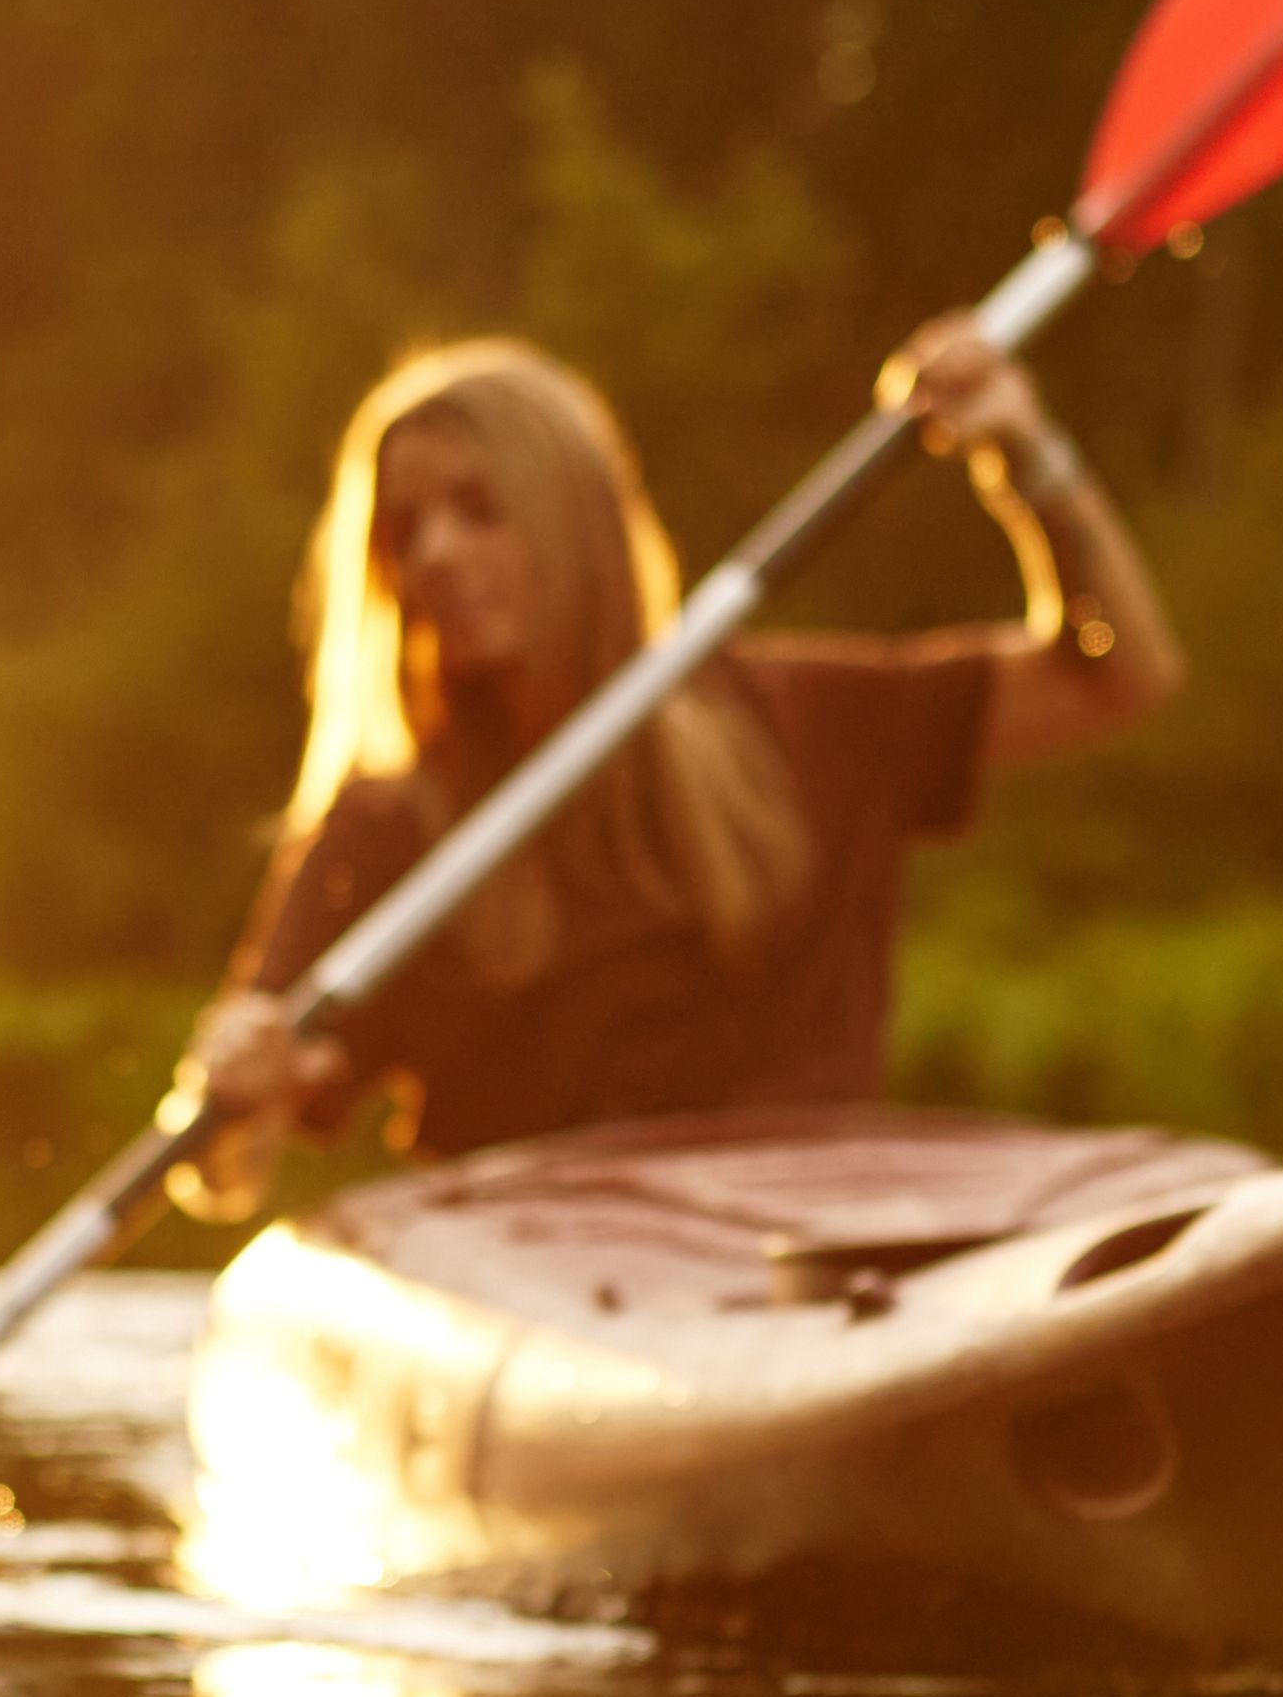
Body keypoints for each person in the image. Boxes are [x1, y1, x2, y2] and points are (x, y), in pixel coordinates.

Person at [172, 315, 1184, 1211]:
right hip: (544, 1283)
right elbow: (223, 1172)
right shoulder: (387, 828)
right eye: (407, 530)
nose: (435, 553)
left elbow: (1117, 675)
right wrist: (232, 1096)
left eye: (479, 509)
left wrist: (1027, 456)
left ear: (574, 518)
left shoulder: (806, 720)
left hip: (812, 1253)